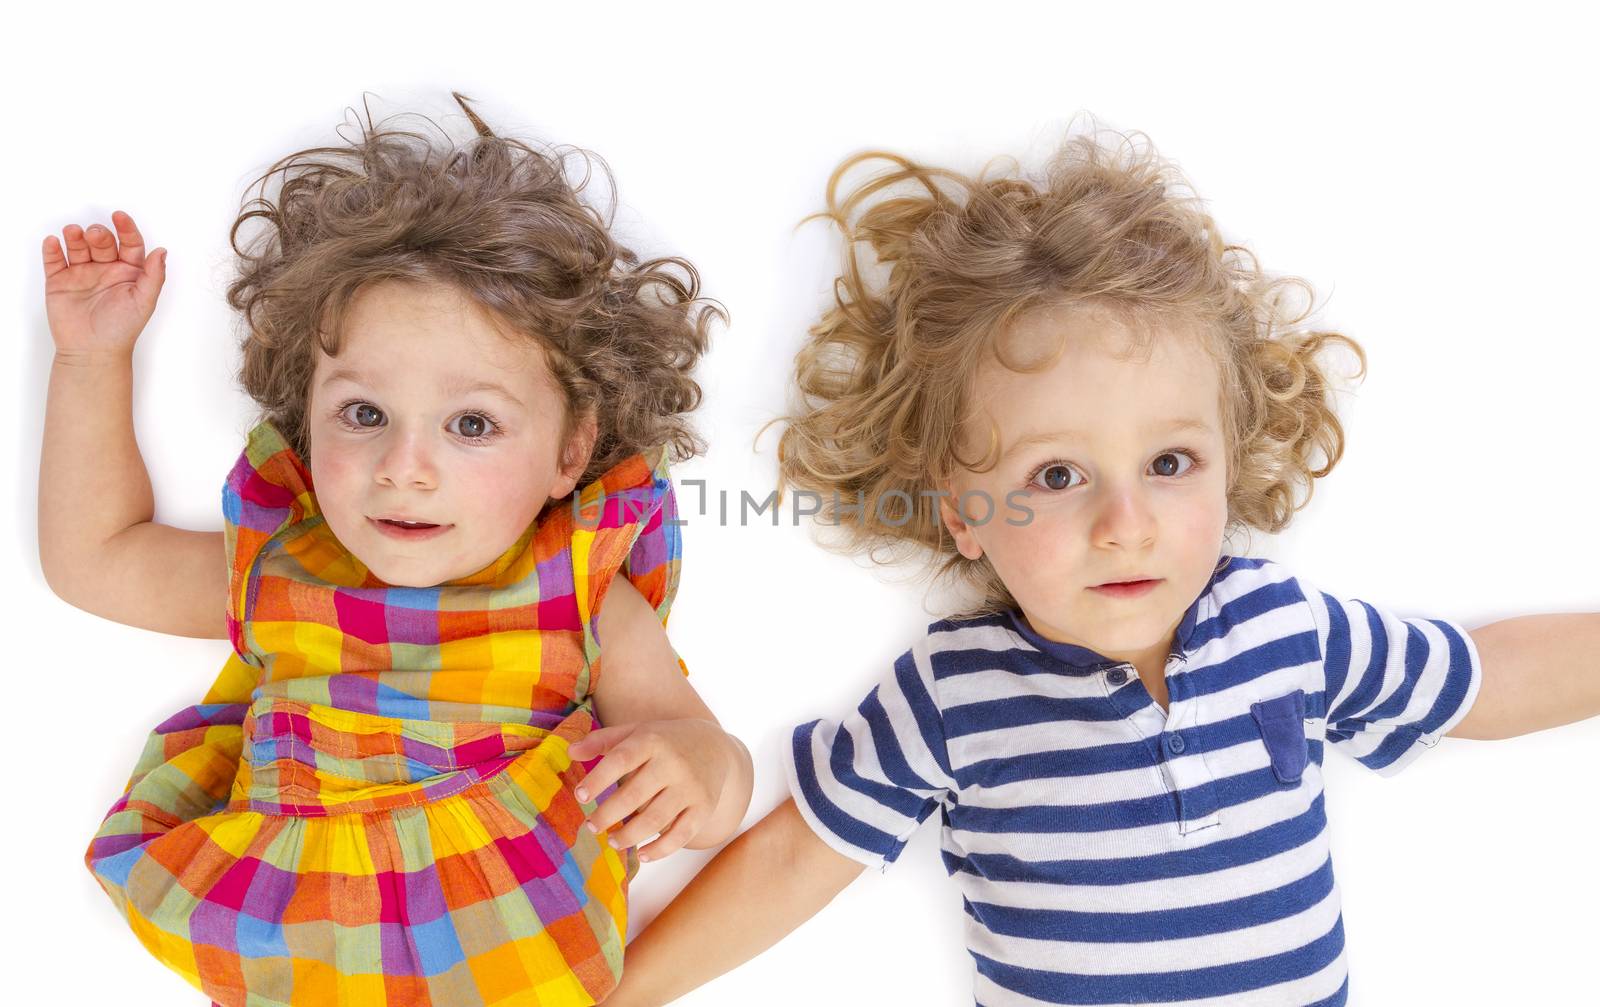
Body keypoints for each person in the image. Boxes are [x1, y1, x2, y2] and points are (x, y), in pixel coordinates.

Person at [601, 129, 1600, 1006]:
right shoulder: (955, 693)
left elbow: (1483, 676)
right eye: (1058, 473)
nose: (1125, 523)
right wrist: (625, 991)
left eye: (1170, 463)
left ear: (1226, 456)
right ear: (964, 511)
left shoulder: (1287, 628)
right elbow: (794, 856)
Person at [38, 92, 752, 1007]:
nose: (403, 468)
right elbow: (93, 558)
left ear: (570, 452)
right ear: (308, 416)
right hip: (292, 949)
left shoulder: (576, 591)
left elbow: (709, 758)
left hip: (516, 961)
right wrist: (92, 365)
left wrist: (700, 767)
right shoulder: (284, 572)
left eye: (471, 423)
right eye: (364, 414)